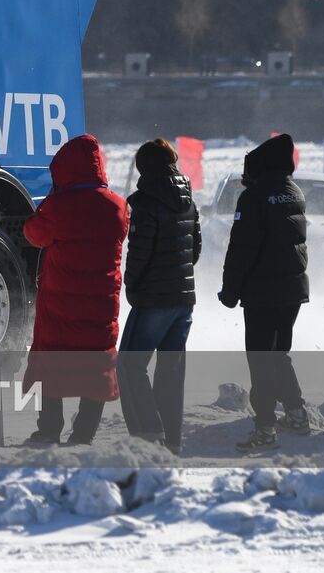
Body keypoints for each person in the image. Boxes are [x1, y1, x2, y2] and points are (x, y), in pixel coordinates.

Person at [23, 134, 128, 446]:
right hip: (101, 305)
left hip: (61, 306)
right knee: (96, 364)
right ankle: (84, 432)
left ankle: (49, 429)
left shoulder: (59, 206)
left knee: (53, 362)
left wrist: (52, 199)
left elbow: (33, 234)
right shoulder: (118, 207)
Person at [220, 132, 310, 454]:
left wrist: (229, 292)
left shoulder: (254, 198)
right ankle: (297, 415)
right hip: (292, 289)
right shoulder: (292, 191)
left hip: (263, 292)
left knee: (260, 360)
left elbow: (241, 250)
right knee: (277, 355)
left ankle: (265, 428)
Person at [117, 138, 200, 455]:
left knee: (128, 365)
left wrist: (132, 285)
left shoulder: (144, 201)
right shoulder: (188, 199)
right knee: (171, 369)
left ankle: (149, 436)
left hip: (154, 297)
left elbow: (139, 254)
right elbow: (195, 249)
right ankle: (172, 442)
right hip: (184, 298)